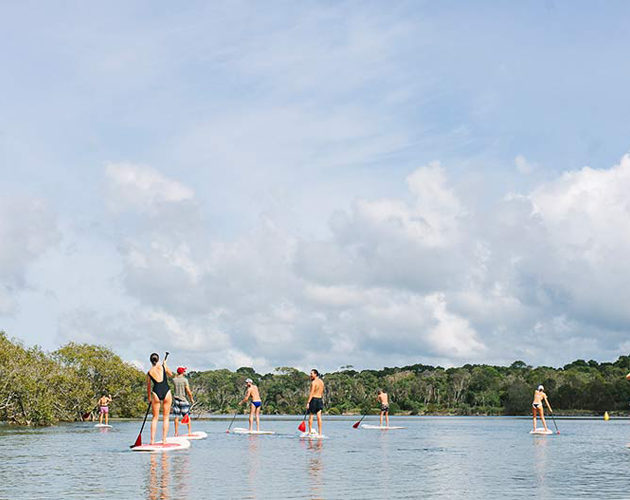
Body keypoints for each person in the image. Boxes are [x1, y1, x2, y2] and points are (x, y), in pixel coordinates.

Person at [147, 353, 173, 444]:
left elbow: (148, 386)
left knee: (155, 418)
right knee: (166, 417)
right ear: (158, 360)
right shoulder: (163, 367)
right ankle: (164, 440)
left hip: (156, 393)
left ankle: (152, 440)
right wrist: (166, 365)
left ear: (151, 361)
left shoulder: (150, 371)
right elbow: (171, 374)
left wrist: (149, 397)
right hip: (166, 392)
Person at [172, 367, 194, 437]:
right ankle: (189, 432)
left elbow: (175, 377)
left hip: (176, 400)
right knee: (187, 416)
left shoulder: (174, 380)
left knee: (176, 417)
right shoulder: (185, 380)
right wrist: (191, 399)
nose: (185, 372)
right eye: (184, 371)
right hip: (183, 400)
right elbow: (188, 391)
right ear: (182, 372)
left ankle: (176, 433)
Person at [306, 369, 325, 435]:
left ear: (315, 374)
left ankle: (309, 432)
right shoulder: (321, 382)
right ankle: (320, 433)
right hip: (320, 399)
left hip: (314, 399)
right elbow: (322, 392)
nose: (310, 375)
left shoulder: (313, 382)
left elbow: (311, 393)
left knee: (311, 415)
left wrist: (308, 402)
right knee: (319, 416)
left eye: (311, 374)